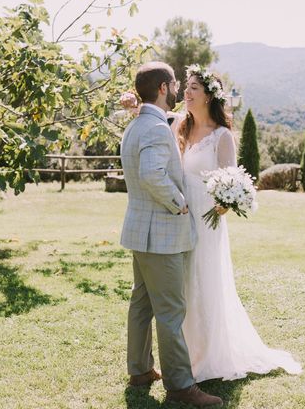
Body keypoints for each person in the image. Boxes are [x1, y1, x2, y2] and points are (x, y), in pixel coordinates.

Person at [173, 64, 303, 382]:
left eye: (193, 89)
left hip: (207, 221)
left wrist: (224, 203)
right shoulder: (180, 126)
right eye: (186, 87)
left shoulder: (222, 136)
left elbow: (231, 180)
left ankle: (208, 357)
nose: (186, 93)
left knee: (204, 283)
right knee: (184, 286)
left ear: (208, 97)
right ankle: (186, 352)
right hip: (180, 215)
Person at [120, 61, 222, 406]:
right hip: (161, 234)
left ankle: (140, 370)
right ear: (163, 88)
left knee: (142, 303)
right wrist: (179, 203)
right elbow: (151, 174)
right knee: (170, 310)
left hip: (141, 231)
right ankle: (180, 386)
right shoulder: (154, 128)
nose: (179, 89)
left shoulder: (139, 124)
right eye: (176, 83)